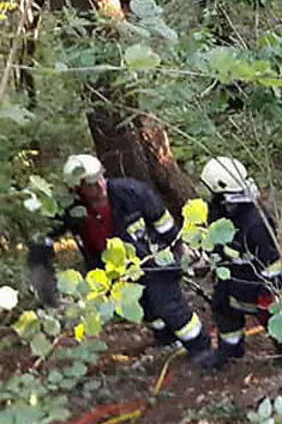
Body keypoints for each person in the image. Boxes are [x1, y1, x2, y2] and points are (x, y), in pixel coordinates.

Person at [28, 154, 220, 369]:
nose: (100, 185)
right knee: (145, 307)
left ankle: (202, 348)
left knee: (170, 307)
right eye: (91, 183)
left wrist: (178, 251)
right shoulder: (71, 209)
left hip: (153, 260)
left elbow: (163, 222)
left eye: (101, 177)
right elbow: (44, 234)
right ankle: (167, 339)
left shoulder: (131, 192)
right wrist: (41, 266)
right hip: (115, 269)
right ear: (76, 188)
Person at [199, 157, 282, 364]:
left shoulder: (256, 223)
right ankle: (230, 352)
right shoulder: (221, 212)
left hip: (256, 285)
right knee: (223, 310)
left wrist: (268, 294)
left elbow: (271, 263)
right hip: (230, 281)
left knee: (272, 318)